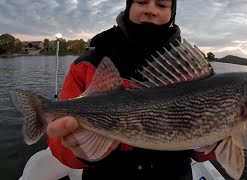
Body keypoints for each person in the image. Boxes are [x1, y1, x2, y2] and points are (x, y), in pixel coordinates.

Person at [46, 0, 218, 179]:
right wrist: (82, 152)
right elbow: (59, 143)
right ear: (128, 7)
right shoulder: (89, 64)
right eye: (142, 1)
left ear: (172, 13)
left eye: (162, 5)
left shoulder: (193, 71)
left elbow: (202, 152)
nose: (151, 10)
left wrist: (216, 139)